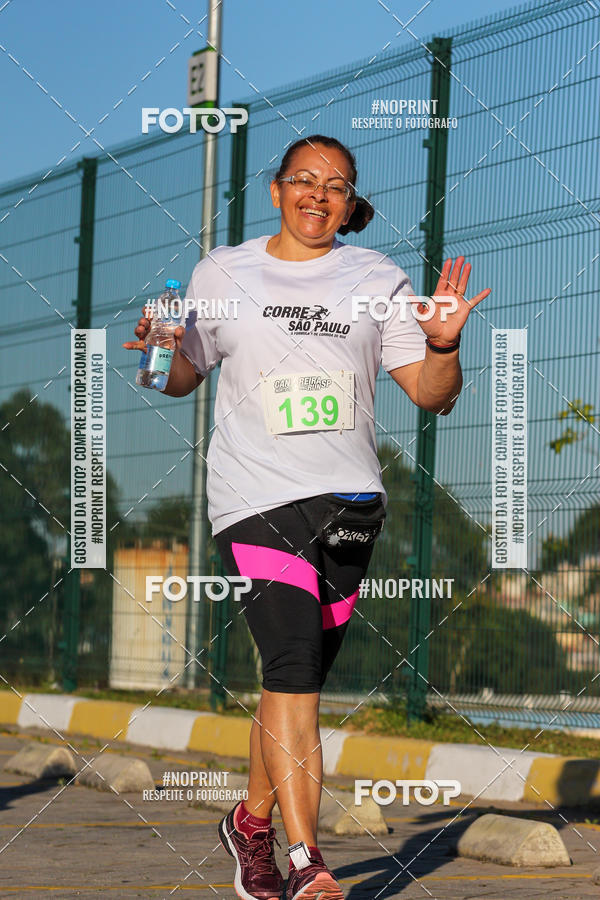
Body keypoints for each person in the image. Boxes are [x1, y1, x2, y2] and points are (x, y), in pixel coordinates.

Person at [124, 134, 490, 900]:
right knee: (293, 670)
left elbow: (430, 393)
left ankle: (249, 822)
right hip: (253, 495)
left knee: (294, 680)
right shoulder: (222, 270)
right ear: (276, 190)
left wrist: (446, 344)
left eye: (336, 185)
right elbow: (178, 375)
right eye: (304, 180)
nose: (318, 195)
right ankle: (307, 862)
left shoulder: (376, 276)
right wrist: (157, 352)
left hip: (350, 499)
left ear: (351, 203)